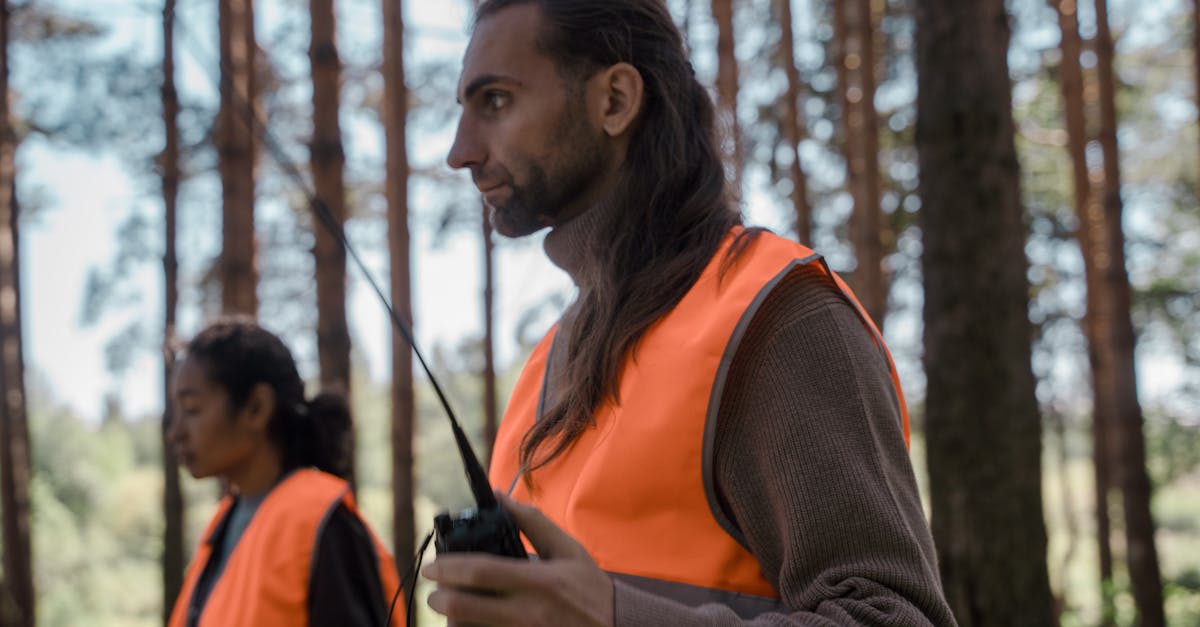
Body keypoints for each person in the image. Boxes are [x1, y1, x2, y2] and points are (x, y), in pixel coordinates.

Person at [423, 0, 960, 625]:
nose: (460, 151)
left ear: (616, 101)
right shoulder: (548, 364)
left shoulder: (777, 318)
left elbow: (893, 617)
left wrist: (618, 618)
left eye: (495, 101)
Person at [166, 318, 404, 627]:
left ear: (256, 408)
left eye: (193, 408)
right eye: (176, 412)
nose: (176, 433)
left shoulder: (323, 522)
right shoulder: (225, 521)